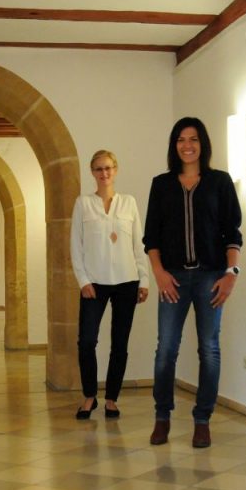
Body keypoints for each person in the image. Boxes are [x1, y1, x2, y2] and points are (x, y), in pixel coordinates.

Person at [143, 118, 242, 448]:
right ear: (174, 145)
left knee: (209, 350)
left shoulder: (220, 182)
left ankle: (203, 420)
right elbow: (151, 238)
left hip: (211, 278)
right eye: (181, 139)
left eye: (194, 139)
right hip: (171, 278)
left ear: (203, 144)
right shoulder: (161, 185)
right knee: (165, 350)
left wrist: (231, 274)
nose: (188, 145)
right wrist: (158, 273)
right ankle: (162, 417)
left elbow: (233, 234)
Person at [70, 150, 150, 419]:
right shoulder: (83, 204)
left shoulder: (129, 203)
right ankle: (90, 396)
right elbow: (76, 246)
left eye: (108, 168)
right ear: (92, 172)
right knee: (86, 341)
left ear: (116, 170)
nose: (104, 174)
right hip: (94, 283)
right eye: (98, 169)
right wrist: (83, 280)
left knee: (120, 342)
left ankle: (112, 398)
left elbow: (139, 243)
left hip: (127, 281)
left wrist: (144, 278)